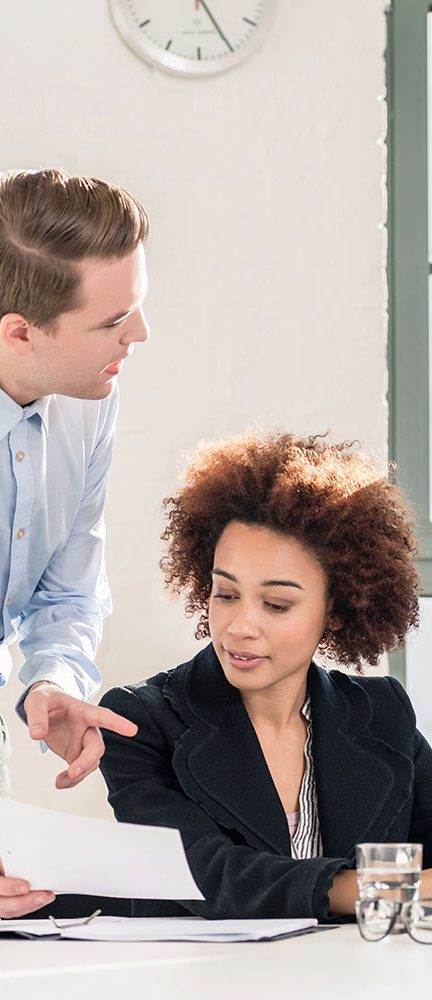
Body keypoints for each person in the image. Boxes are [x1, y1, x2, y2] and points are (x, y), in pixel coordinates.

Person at [99, 434, 432, 920]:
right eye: (225, 594)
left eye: (276, 604)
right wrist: (398, 891)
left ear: (336, 611)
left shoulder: (381, 713)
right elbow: (209, 876)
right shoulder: (141, 721)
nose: (239, 626)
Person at [0, 168, 150, 917]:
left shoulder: (90, 406)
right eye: (113, 320)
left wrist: (51, 679)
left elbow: (66, 585)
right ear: (19, 331)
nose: (140, 336)